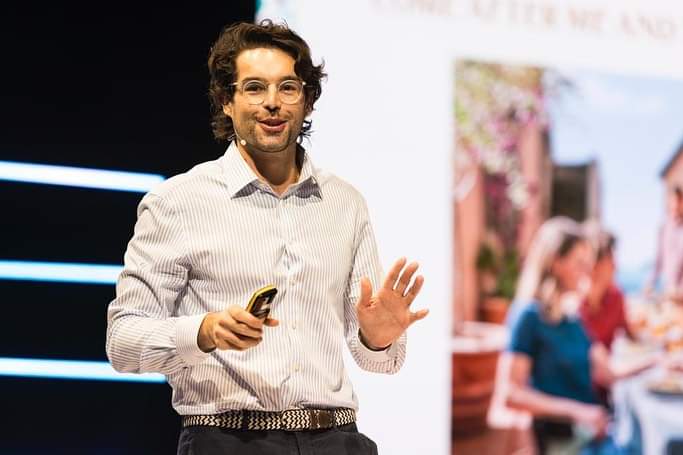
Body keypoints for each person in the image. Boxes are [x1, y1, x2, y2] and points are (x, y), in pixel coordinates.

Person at [106, 20, 428, 455]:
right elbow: (123, 341)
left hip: (338, 439)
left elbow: (379, 359)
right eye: (254, 88)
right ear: (226, 101)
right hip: (227, 439)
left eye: (288, 88)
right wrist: (204, 331)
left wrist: (378, 336)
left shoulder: (345, 203)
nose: (272, 104)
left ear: (308, 101)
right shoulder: (177, 201)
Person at [500, 217, 651, 454]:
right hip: (569, 440)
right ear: (555, 262)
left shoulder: (572, 315)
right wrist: (578, 411)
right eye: (580, 262)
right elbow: (510, 394)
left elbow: (608, 374)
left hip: (595, 434)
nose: (587, 271)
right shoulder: (528, 315)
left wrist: (659, 361)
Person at [580, 231, 634, 352]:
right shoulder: (572, 307)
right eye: (610, 259)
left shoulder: (616, 296)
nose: (616, 266)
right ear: (593, 264)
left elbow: (630, 334)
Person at [646, 185, 683, 300]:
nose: (676, 205)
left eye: (679, 201)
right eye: (673, 201)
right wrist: (650, 283)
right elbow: (658, 260)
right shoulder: (664, 229)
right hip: (669, 290)